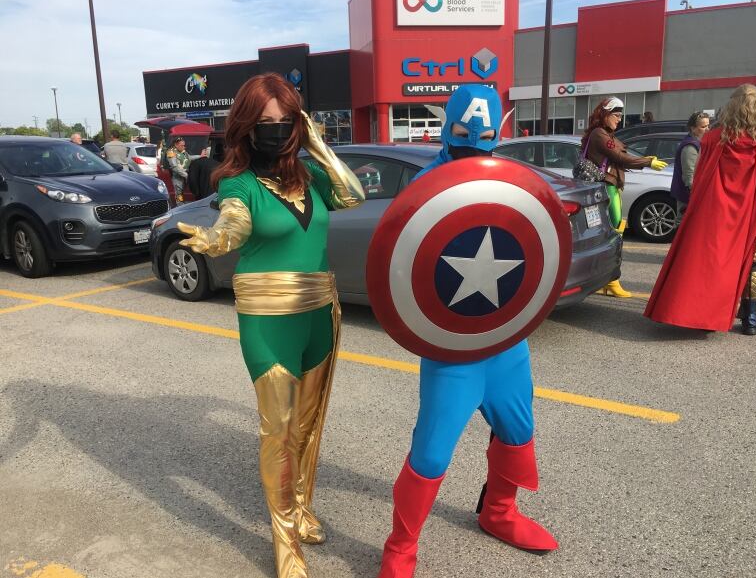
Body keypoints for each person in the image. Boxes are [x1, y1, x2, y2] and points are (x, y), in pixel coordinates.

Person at [178, 73, 364, 578]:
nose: (277, 131)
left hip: (320, 314)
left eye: (286, 122)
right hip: (267, 319)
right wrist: (214, 240)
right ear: (245, 126)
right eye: (266, 123)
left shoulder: (310, 176)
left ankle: (302, 508)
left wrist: (319, 143)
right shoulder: (237, 183)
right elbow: (233, 223)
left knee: (309, 425)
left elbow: (353, 196)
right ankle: (285, 541)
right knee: (279, 432)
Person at [377, 84, 558, 578]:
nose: (476, 146)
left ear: (498, 132)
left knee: (518, 433)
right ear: (447, 128)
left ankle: (499, 512)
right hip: (451, 351)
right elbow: (403, 265)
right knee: (431, 454)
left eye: (484, 137)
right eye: (464, 134)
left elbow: (534, 239)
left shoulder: (509, 182)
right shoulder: (427, 187)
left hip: (505, 342)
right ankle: (400, 548)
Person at [645, 84, 756, 335]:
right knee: (754, 263)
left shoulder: (714, 137)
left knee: (705, 261)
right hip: (753, 212)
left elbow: (701, 177)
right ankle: (750, 320)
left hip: (713, 211)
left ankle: (695, 311)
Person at [580, 98, 668, 297]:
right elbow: (620, 157)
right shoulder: (599, 134)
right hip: (606, 187)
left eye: (621, 116)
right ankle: (612, 280)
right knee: (615, 234)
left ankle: (607, 280)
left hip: (609, 186)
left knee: (611, 233)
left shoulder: (604, 133)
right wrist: (647, 162)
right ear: (605, 114)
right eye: (617, 115)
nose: (620, 119)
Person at [670, 111, 710, 222]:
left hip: (689, 194)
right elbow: (689, 176)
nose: (707, 129)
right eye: (703, 126)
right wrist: (697, 195)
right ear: (693, 128)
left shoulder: (698, 143)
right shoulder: (690, 147)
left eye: (708, 125)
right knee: (684, 225)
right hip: (687, 196)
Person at [166, 137, 191, 204]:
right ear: (176, 145)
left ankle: (181, 204)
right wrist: (186, 175)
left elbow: (189, 158)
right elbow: (174, 167)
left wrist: (200, 156)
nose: (184, 147)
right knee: (179, 194)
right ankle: (179, 206)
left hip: (183, 176)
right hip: (177, 177)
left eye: (184, 145)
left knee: (182, 193)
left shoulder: (183, 151)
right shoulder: (171, 152)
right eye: (181, 145)